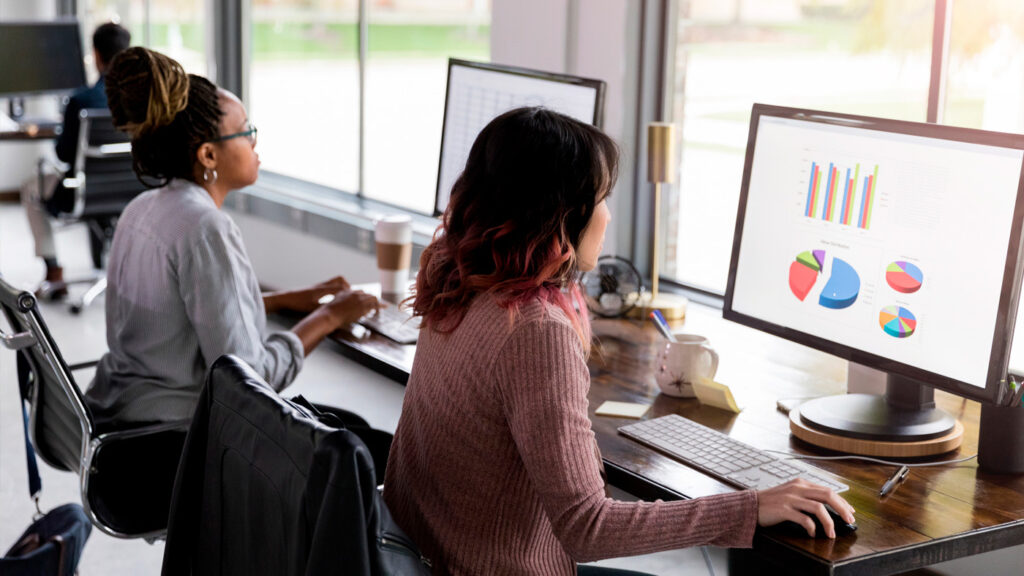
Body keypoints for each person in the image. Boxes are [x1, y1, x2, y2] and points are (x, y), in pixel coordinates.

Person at [382, 107, 856, 575]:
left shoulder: (459, 278)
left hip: (425, 555)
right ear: (559, 215)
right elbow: (587, 527)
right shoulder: (533, 331)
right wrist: (748, 508)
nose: (608, 215)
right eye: (602, 198)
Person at [83, 47, 379, 428]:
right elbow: (252, 381)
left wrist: (286, 300)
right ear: (208, 155)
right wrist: (329, 315)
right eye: (246, 130)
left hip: (119, 418)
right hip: (172, 439)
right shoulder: (205, 228)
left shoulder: (141, 208)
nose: (254, 142)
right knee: (356, 433)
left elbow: (179, 315)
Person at [19, 22, 131, 298]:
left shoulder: (81, 100)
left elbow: (63, 155)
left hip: (82, 191)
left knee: (30, 188)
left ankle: (54, 271)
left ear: (96, 55)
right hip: (132, 189)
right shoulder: (141, 98)